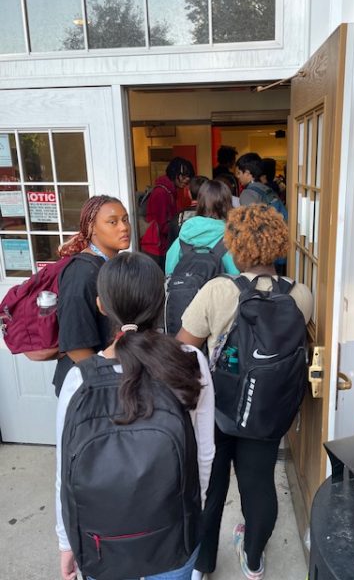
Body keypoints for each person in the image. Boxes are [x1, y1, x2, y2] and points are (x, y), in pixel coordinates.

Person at [55, 252, 215, 580]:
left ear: (102, 306)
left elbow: (64, 471)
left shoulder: (79, 379)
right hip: (173, 534)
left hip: (101, 543)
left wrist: (66, 541)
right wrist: (190, 511)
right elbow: (204, 454)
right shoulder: (190, 362)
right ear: (161, 302)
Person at [176, 204, 313, 580]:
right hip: (267, 410)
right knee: (259, 484)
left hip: (217, 408)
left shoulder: (218, 291)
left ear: (234, 246)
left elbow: (184, 347)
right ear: (278, 243)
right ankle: (253, 559)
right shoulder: (301, 295)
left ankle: (203, 566)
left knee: (210, 487)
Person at [52, 195, 131, 397]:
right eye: (112, 222)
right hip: (86, 386)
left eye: (125, 219)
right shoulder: (81, 273)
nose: (123, 227)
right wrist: (104, 385)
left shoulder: (110, 266)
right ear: (91, 228)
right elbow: (76, 345)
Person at [165, 179, 239, 276]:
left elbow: (169, 273)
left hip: (187, 290)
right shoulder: (232, 240)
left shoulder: (182, 238)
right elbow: (237, 276)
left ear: (200, 203)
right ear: (228, 203)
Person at [141, 157, 194, 269]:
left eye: (188, 177)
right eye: (184, 176)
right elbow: (162, 225)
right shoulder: (161, 193)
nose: (187, 180)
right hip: (156, 249)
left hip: (160, 246)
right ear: (175, 174)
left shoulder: (169, 191)